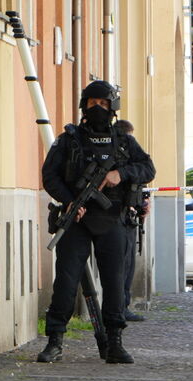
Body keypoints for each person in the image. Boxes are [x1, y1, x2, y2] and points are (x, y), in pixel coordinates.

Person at [37, 81, 155, 364]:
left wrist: (120, 174)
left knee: (114, 283)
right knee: (66, 282)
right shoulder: (69, 140)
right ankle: (55, 340)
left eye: (103, 104)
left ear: (112, 107)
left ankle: (114, 341)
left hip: (112, 218)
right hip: (76, 219)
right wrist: (69, 201)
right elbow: (50, 175)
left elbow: (148, 168)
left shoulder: (124, 141)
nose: (98, 108)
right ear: (84, 106)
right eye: (92, 104)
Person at [114, 119, 149, 323]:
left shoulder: (129, 161)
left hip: (130, 214)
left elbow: (141, 181)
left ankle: (122, 306)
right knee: (123, 266)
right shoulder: (121, 160)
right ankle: (120, 307)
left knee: (127, 265)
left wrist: (143, 202)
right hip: (121, 215)